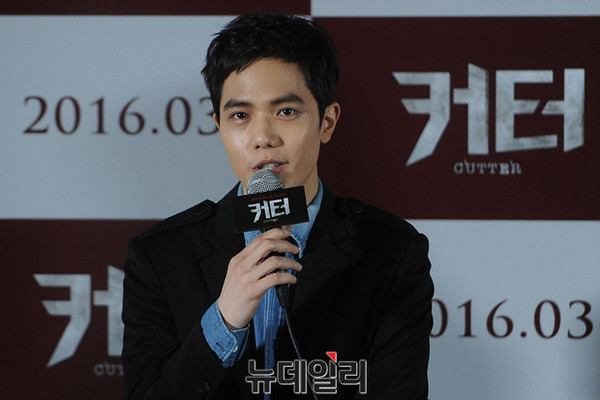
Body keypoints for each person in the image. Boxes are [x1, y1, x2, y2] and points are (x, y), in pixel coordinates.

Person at [122, 13, 433, 400]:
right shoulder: (160, 256)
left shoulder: (391, 252)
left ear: (327, 122)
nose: (263, 137)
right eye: (240, 116)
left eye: (286, 112)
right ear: (219, 126)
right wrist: (224, 320)